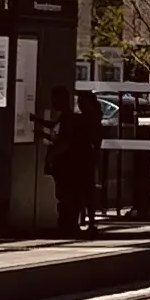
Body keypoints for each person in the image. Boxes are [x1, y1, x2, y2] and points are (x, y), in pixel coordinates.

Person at [48, 83, 104, 232]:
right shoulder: (86, 119)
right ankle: (84, 222)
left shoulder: (83, 120)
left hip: (78, 162)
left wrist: (52, 156)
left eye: (82, 103)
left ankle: (77, 223)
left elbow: (68, 140)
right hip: (84, 160)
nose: (80, 105)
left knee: (74, 193)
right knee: (82, 192)